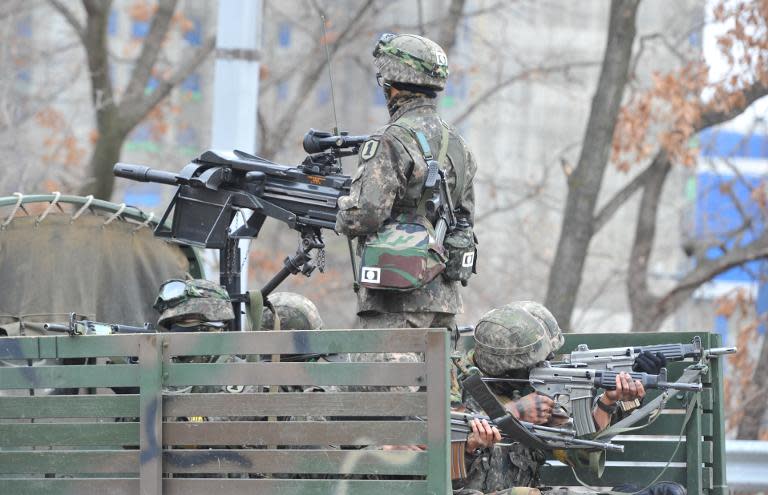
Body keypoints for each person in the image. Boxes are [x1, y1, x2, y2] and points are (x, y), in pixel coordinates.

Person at [451, 301, 683, 495]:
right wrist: (511, 416)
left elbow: (581, 456)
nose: (541, 369)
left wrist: (608, 402)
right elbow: (424, 462)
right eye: (531, 366)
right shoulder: (452, 386)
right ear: (505, 367)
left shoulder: (529, 390)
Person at [335, 32, 477, 332]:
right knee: (437, 380)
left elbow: (365, 215)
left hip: (397, 303)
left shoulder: (391, 140)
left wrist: (341, 209)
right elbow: (465, 219)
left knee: (384, 380)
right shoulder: (458, 145)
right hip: (443, 306)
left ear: (393, 88)